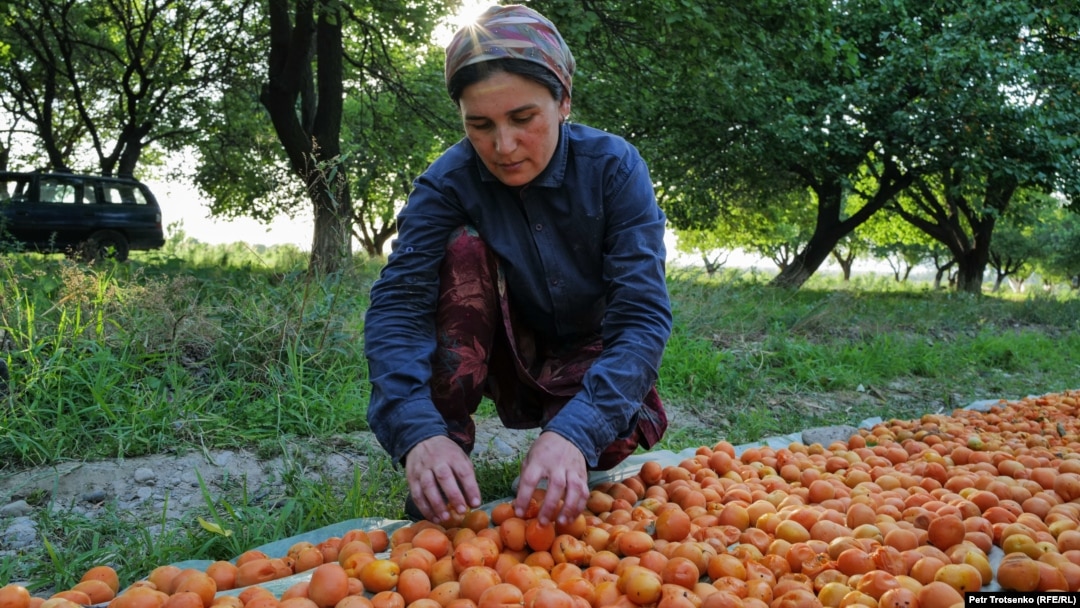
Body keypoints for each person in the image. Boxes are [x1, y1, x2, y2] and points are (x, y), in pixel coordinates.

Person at [364, 4, 671, 528]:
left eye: (523, 119)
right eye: (479, 125)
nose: (503, 147)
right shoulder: (446, 183)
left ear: (564, 101)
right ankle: (443, 465)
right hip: (498, 349)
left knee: (600, 440)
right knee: (460, 249)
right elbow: (399, 308)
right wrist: (417, 432)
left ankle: (569, 436)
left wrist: (575, 432)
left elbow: (641, 316)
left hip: (588, 352)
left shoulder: (615, 168)